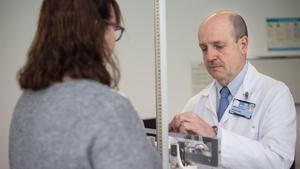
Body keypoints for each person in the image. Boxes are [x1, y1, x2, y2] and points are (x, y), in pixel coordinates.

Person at [9, 0, 162, 169]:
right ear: (96, 29)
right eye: (114, 27)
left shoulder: (25, 104)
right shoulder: (108, 108)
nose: (113, 39)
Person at [169, 11, 296, 169]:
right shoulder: (195, 103)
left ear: (243, 45)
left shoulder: (275, 94)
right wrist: (173, 142)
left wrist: (215, 136)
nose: (210, 56)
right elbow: (184, 161)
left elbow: (278, 161)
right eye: (204, 48)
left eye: (218, 46)